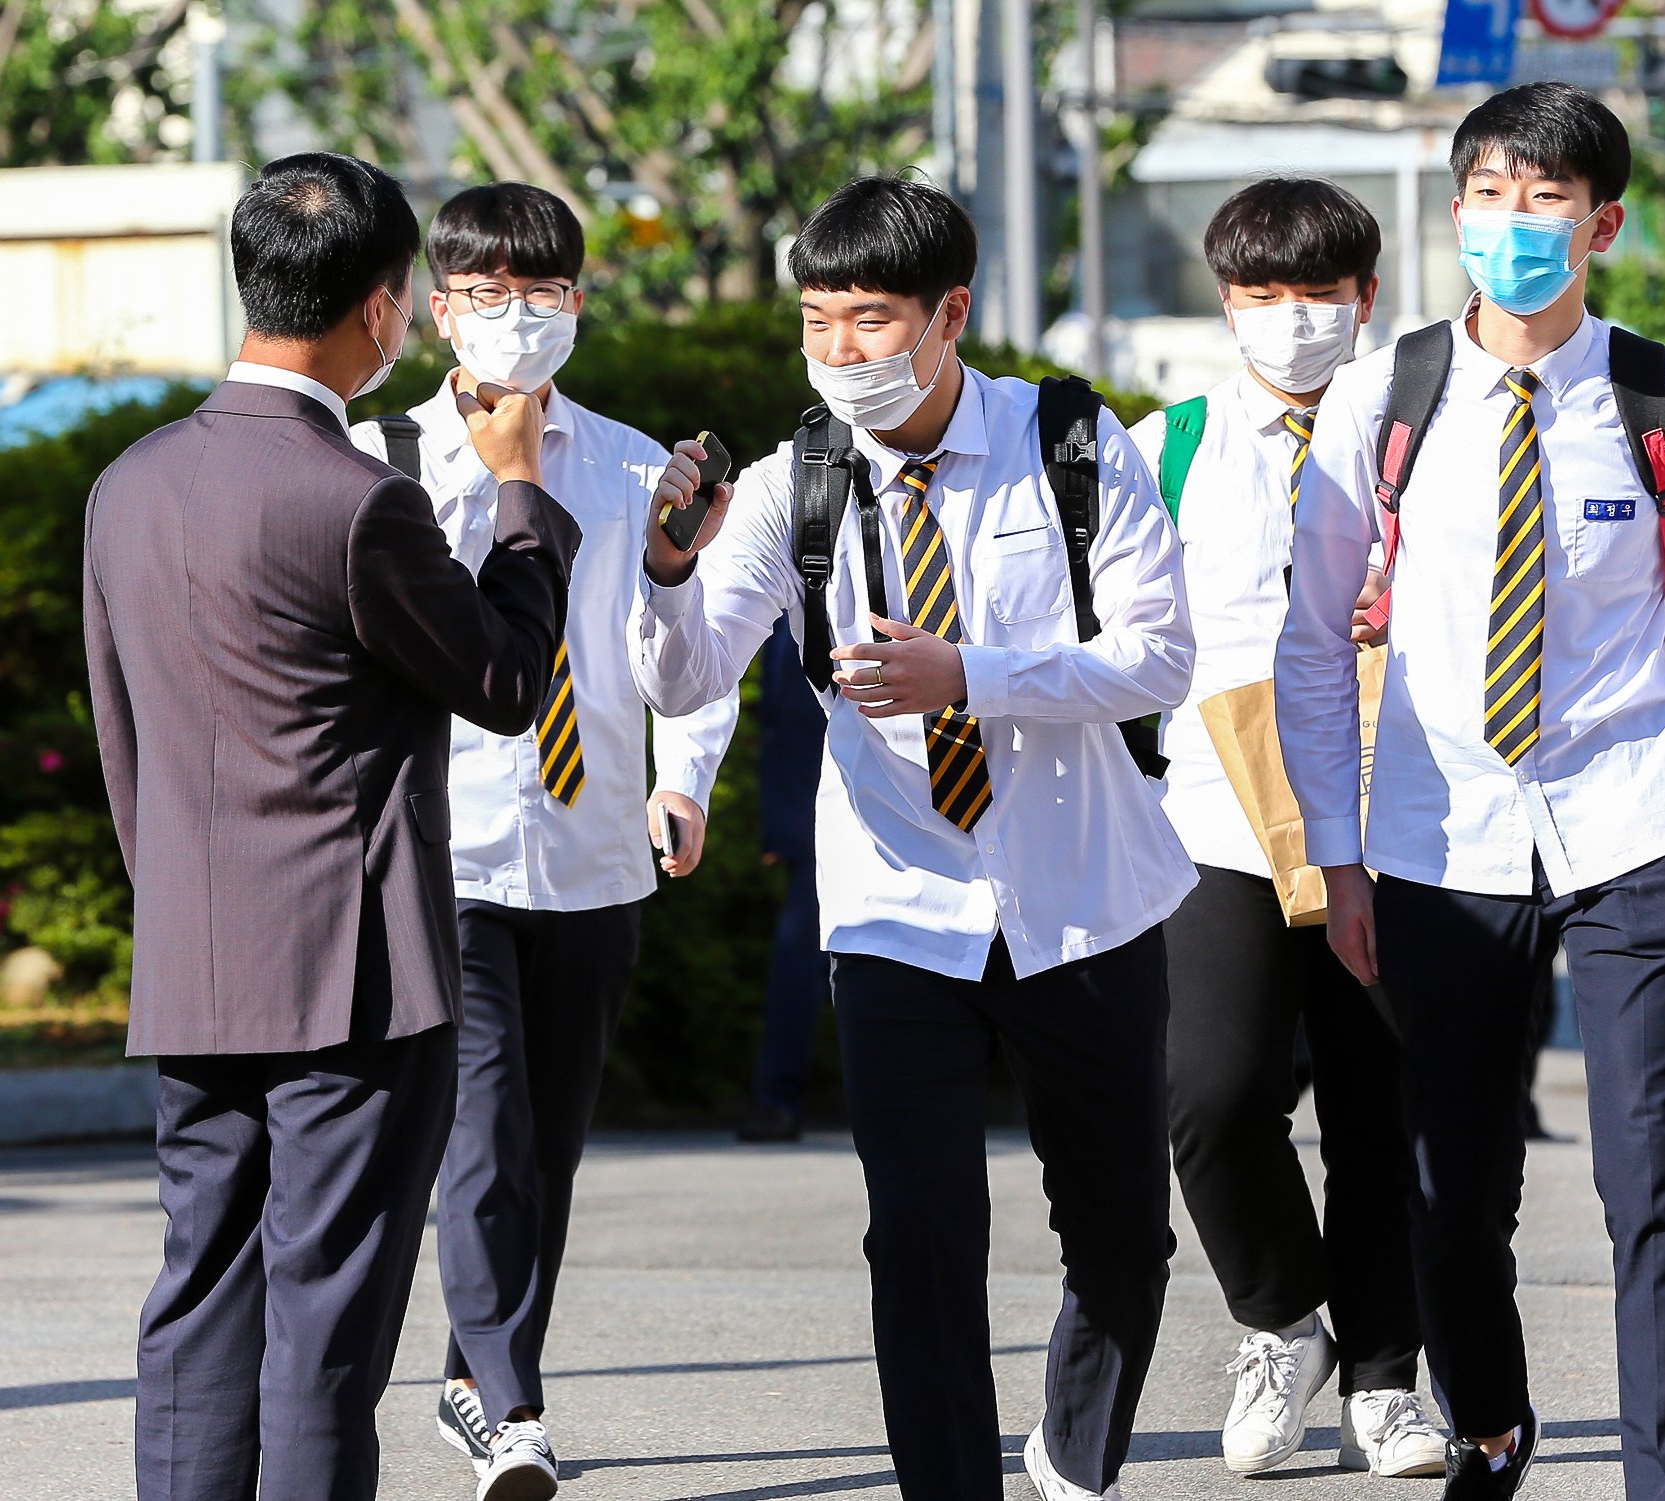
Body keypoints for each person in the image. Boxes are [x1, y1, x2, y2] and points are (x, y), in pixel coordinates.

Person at [1277, 83, 1665, 1501]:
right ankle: (1494, 1429)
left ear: (1605, 222)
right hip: (1440, 843)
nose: (1519, 225)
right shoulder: (1382, 401)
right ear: (1456, 216)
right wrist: (1337, 859)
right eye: (1495, 197)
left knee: (1657, 1192)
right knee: (1452, 1201)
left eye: (1550, 199)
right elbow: (1313, 647)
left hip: (1640, 826)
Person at [627, 175, 1196, 1501]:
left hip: (1085, 898)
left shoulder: (1069, 442)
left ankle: (1071, 1444)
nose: (840, 354)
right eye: (817, 322)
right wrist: (662, 572)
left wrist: (975, 676)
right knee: (923, 1238)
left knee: (1123, 1238)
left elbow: (1160, 654)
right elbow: (691, 674)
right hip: (896, 909)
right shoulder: (792, 484)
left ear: (950, 315)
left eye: (870, 321)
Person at [83, 152, 580, 1501]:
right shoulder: (360, 498)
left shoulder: (125, 485)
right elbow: (503, 677)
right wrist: (524, 497)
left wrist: (176, 904)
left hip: (193, 949)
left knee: (200, 1288)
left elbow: (122, 740)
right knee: (325, 1321)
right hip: (353, 972)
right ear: (377, 308)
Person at [348, 182, 738, 1501]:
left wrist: (681, 770)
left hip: (591, 854)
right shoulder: (379, 464)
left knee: (545, 1147)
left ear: (579, 300)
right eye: (487, 291)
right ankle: (514, 1412)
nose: (516, 316)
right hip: (441, 855)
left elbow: (687, 676)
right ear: (436, 307)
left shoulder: (636, 468)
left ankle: (471, 1370)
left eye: (543, 289)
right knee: (485, 1132)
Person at [1129, 177, 1448, 1481]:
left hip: (1397, 815)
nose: (1295, 319)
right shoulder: (1169, 446)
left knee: (1386, 1106)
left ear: (1366, 299)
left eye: (1321, 293)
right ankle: (1279, 1321)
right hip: (1219, 821)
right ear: (1226, 301)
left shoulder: (1429, 437)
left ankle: (1386, 1376)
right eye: (1264, 293)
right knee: (1210, 1092)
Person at [736, 615, 831, 1144]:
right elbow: (785, 719)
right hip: (816, 822)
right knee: (801, 962)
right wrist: (784, 828)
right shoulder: (796, 601)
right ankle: (778, 1099)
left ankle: (779, 1100)